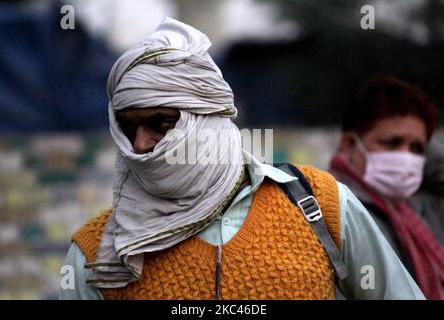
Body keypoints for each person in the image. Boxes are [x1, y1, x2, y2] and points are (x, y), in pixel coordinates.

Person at [60, 18, 424, 300]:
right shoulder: (97, 255)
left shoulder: (321, 206)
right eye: (127, 127)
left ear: (207, 120)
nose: (140, 144)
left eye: (160, 123)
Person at [329, 74, 444, 300]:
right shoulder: (330, 209)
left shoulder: (418, 208)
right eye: (392, 143)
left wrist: (417, 125)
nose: (405, 157)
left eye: (417, 149)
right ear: (349, 144)